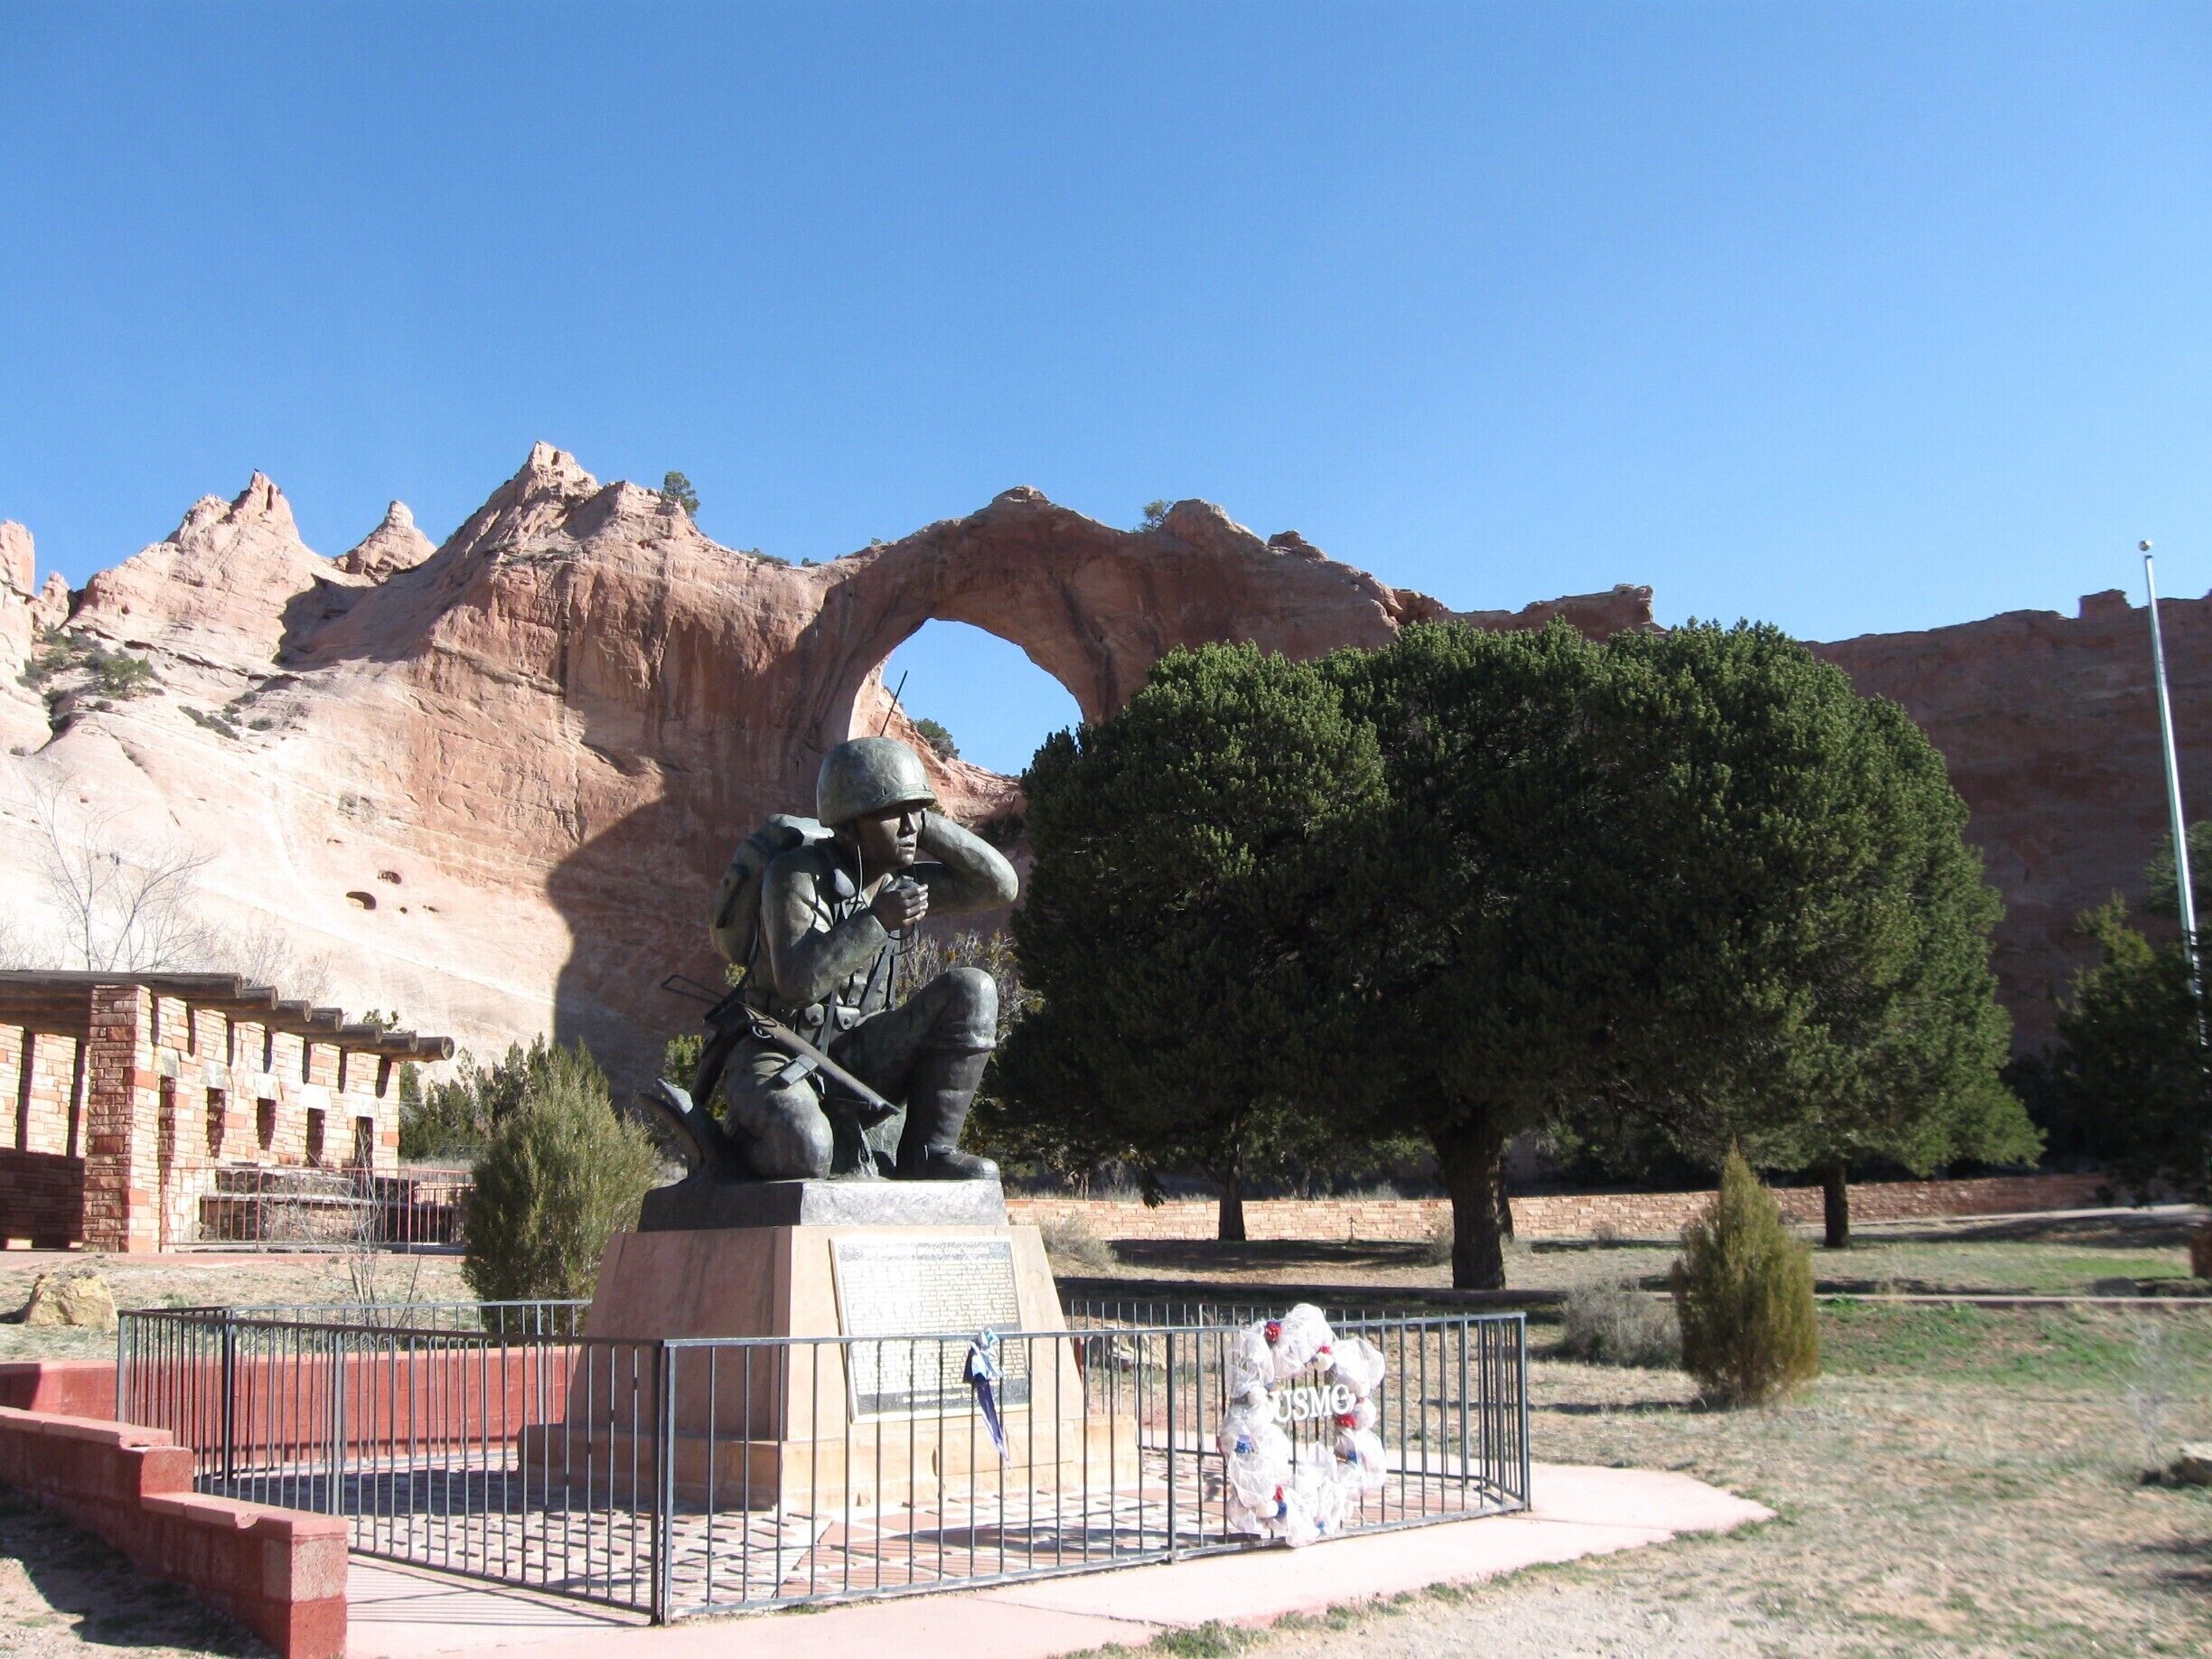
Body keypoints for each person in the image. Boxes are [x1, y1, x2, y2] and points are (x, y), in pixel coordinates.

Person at [722, 736, 1018, 1180]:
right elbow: (798, 984)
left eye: (916, 812)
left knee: (972, 989)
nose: (909, 827)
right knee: (807, 1153)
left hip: (859, 1053)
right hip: (777, 1051)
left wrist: (919, 814)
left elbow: (998, 885)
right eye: (892, 814)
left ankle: (930, 1153)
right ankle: (730, 1155)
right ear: (847, 825)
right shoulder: (797, 874)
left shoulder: (900, 880)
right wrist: (877, 920)